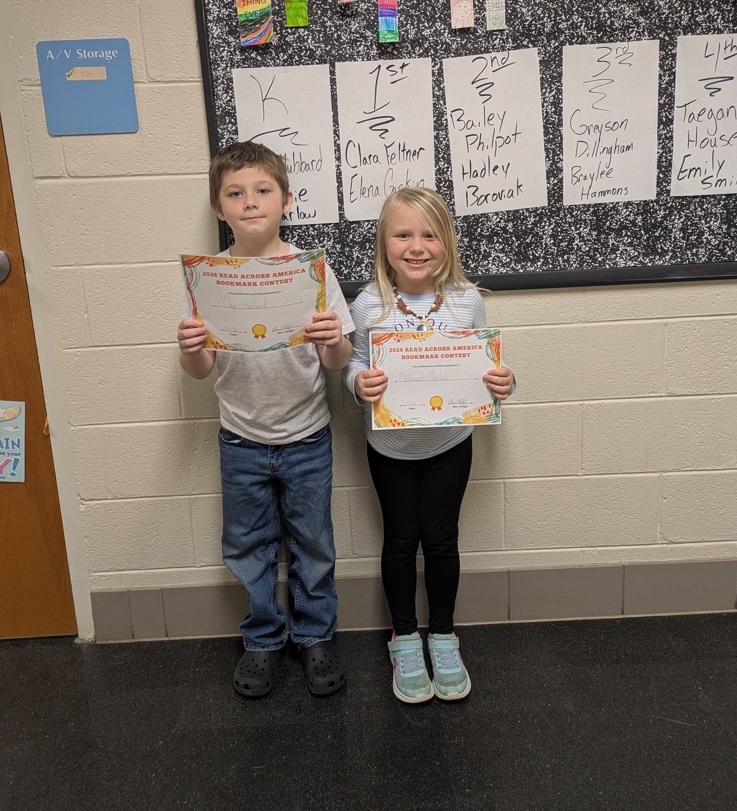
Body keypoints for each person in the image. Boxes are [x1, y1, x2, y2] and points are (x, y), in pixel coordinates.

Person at [177, 141, 353, 699]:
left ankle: (315, 635)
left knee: (313, 543)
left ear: (286, 200)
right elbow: (202, 371)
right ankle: (262, 640)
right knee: (248, 547)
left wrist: (334, 342)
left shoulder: (312, 274)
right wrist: (189, 348)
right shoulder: (208, 280)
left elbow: (337, 361)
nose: (249, 202)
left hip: (307, 437)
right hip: (241, 439)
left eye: (262, 190)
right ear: (218, 208)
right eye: (235, 193)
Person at [344, 187, 515, 704]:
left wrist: (503, 383)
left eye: (429, 235)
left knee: (441, 541)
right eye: (403, 235)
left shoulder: (466, 301)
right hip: (391, 448)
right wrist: (357, 385)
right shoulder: (370, 303)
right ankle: (403, 638)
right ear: (384, 242)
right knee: (400, 541)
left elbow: (485, 368)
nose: (416, 247)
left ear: (446, 243)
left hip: (449, 444)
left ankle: (443, 634)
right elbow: (353, 365)